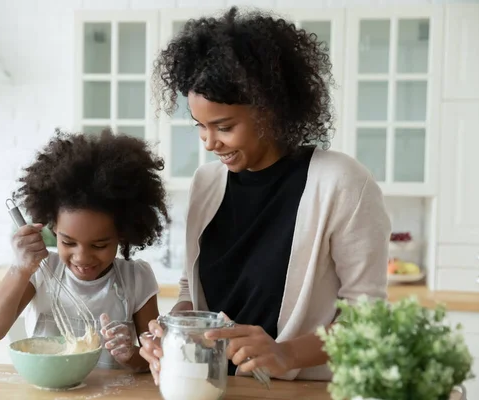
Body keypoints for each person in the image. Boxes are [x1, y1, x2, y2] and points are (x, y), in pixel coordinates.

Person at [140, 6, 391, 383]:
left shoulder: (342, 182)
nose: (209, 143)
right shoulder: (206, 184)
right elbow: (193, 291)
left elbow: (366, 316)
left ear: (270, 111)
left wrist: (286, 352)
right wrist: (174, 332)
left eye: (223, 126)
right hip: (211, 387)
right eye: (200, 127)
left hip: (303, 391)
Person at [0, 128, 170, 371]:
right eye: (68, 242)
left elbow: (154, 358)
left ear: (122, 234)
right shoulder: (41, 269)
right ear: (52, 228)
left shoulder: (136, 279)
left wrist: (129, 354)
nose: (82, 258)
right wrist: (20, 268)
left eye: (99, 245)